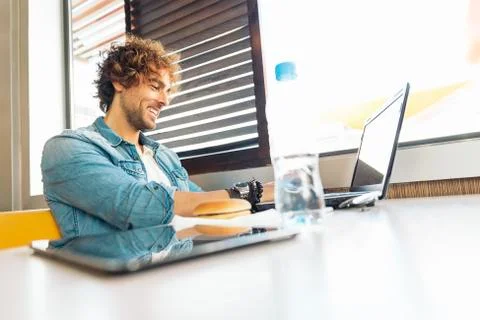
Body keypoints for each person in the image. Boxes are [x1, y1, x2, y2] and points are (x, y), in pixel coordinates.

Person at [41, 35, 273, 239]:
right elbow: (137, 206)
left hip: (168, 278)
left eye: (167, 91)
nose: (165, 101)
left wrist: (271, 190)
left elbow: (206, 206)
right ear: (120, 80)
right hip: (103, 284)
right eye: (155, 86)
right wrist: (248, 191)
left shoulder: (165, 157)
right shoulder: (66, 148)